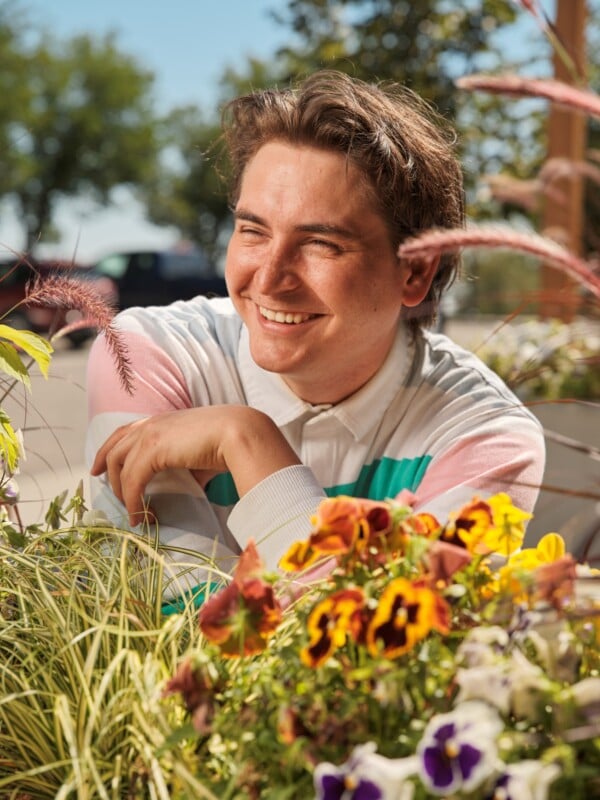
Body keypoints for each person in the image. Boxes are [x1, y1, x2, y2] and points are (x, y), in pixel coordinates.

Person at [86, 70, 545, 604]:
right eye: (253, 230)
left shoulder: (485, 438)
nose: (269, 278)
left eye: (321, 244)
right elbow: (158, 610)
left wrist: (248, 442)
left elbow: (376, 643)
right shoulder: (147, 354)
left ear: (415, 271)